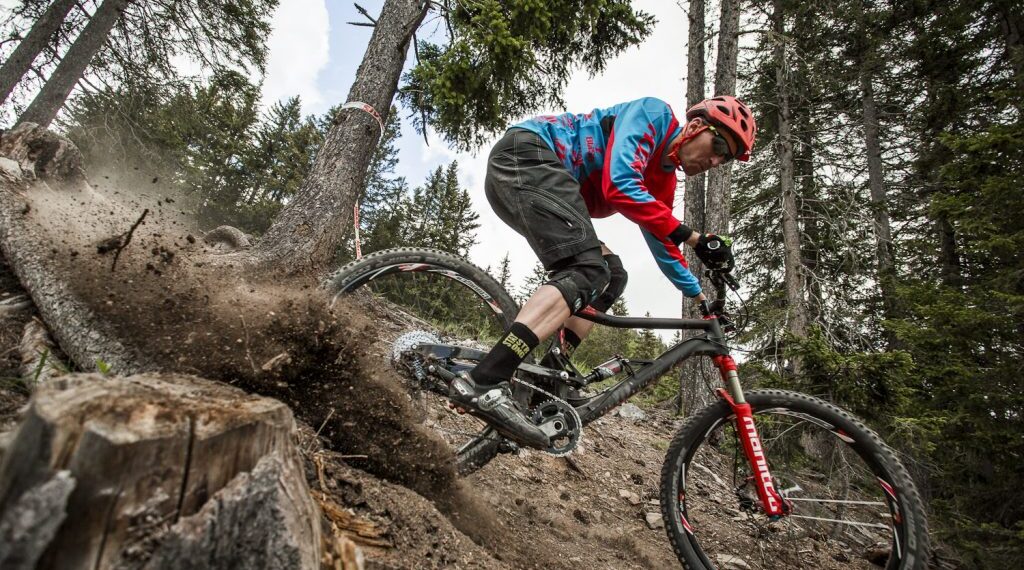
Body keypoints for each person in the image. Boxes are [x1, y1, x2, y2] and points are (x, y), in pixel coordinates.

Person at [449, 96, 757, 448]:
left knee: (611, 274)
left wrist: (700, 298)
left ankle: (553, 371)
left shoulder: (664, 182)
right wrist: (695, 237)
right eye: (718, 144)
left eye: (725, 158)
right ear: (697, 126)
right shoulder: (654, 116)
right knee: (587, 269)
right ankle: (485, 378)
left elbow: (664, 241)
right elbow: (620, 182)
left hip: (537, 183)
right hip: (528, 156)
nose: (715, 160)